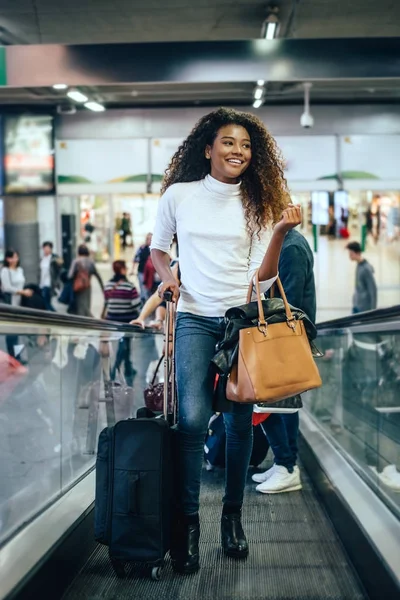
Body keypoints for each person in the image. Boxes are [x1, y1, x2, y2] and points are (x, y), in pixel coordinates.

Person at [151, 107, 301, 575]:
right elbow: (158, 249)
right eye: (229, 143)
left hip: (241, 324)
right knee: (193, 420)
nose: (238, 151)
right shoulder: (180, 195)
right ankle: (189, 524)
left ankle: (232, 519)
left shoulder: (258, 203)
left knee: (239, 423)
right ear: (208, 148)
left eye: (246, 145)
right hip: (195, 318)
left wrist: (278, 231)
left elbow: (264, 279)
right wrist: (166, 279)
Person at [252, 229, 316, 494]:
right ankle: (283, 462)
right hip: (284, 339)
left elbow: (289, 301)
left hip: (285, 341)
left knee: (278, 405)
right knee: (276, 404)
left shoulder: (290, 249)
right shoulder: (287, 244)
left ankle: (287, 468)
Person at [68, 244, 104, 317]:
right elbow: (97, 274)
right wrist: (102, 287)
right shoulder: (91, 261)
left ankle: (86, 321)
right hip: (87, 287)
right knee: (87, 305)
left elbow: (70, 275)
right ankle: (88, 319)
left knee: (80, 306)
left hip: (77, 287)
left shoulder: (76, 261)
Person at [346, 241, 377, 313]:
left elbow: (373, 290)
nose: (349, 256)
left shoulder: (366, 269)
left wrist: (373, 311)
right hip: (357, 305)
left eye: (351, 254)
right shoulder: (359, 265)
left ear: (358, 253)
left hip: (364, 308)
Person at [39, 241, 63, 312]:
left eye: (48, 248)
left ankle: (55, 315)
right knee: (46, 302)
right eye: (45, 248)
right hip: (42, 283)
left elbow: (60, 264)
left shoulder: (54, 258)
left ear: (51, 249)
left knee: (46, 302)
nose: (46, 250)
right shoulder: (42, 259)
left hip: (50, 283)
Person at [133, 233, 152, 304]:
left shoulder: (154, 249)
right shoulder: (142, 248)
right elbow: (136, 259)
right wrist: (133, 270)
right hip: (141, 271)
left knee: (148, 289)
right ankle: (144, 303)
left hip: (151, 273)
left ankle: (148, 303)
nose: (149, 240)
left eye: (150, 239)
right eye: (148, 239)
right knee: (142, 289)